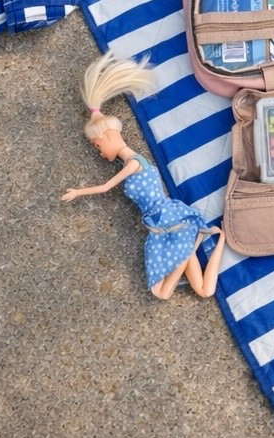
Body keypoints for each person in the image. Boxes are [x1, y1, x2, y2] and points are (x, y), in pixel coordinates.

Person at [61, 53, 226, 299]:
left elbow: (107, 187)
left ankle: (195, 244)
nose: (99, 151)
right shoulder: (131, 162)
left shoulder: (134, 163)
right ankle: (218, 237)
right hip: (164, 224)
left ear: (109, 135)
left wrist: (78, 192)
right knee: (204, 290)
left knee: (160, 291)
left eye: (97, 145)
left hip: (166, 220)